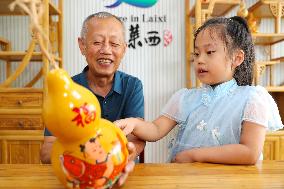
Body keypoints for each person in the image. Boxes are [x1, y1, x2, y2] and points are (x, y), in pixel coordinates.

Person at [115, 16, 284, 165]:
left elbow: (249, 153)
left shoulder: (253, 98)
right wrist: (134, 124)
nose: (200, 60)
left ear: (237, 58)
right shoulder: (184, 97)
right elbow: (155, 130)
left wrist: (194, 155)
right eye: (196, 53)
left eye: (209, 52)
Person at [40, 12, 145, 186]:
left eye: (114, 43)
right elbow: (46, 152)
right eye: (97, 42)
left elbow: (137, 140)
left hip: (123, 178)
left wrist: (124, 157)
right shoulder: (66, 91)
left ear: (124, 49)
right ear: (82, 45)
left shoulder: (133, 85)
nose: (106, 50)